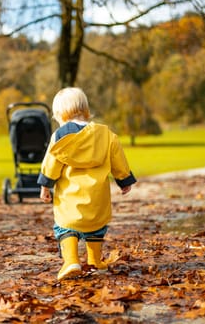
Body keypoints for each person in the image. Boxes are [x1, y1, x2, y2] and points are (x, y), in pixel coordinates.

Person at [37, 87, 136, 281]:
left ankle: (71, 260)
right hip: (96, 197)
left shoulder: (60, 136)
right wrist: (123, 180)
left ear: (60, 114)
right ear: (85, 108)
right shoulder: (105, 134)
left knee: (65, 227)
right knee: (96, 227)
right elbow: (118, 158)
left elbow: (51, 162)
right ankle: (94, 260)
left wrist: (45, 185)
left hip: (70, 199)